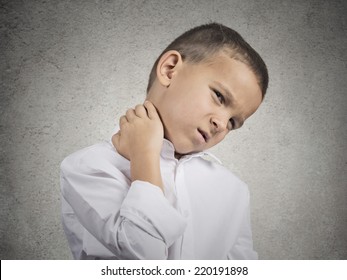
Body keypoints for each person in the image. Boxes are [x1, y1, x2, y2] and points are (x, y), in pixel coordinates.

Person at [60, 22, 268, 260]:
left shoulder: (234, 192)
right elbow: (146, 257)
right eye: (219, 96)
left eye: (233, 122)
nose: (221, 123)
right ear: (170, 70)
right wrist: (145, 157)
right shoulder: (88, 167)